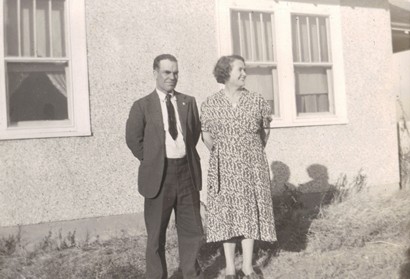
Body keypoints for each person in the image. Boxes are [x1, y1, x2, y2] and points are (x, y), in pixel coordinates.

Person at [126, 54, 204, 279]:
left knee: (192, 231)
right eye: (167, 72)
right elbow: (133, 139)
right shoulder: (142, 106)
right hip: (159, 177)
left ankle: (190, 273)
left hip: (187, 172)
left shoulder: (188, 102)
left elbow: (194, 133)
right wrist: (153, 160)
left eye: (175, 72)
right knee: (156, 235)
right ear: (155, 74)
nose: (172, 77)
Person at [201, 55, 276, 279]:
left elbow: (265, 134)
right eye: (240, 70)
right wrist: (228, 155)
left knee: (249, 213)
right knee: (228, 215)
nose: (245, 74)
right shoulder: (210, 103)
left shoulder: (257, 100)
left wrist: (246, 152)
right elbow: (206, 138)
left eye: (245, 70)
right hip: (224, 168)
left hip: (252, 167)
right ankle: (231, 269)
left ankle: (247, 267)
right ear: (226, 73)